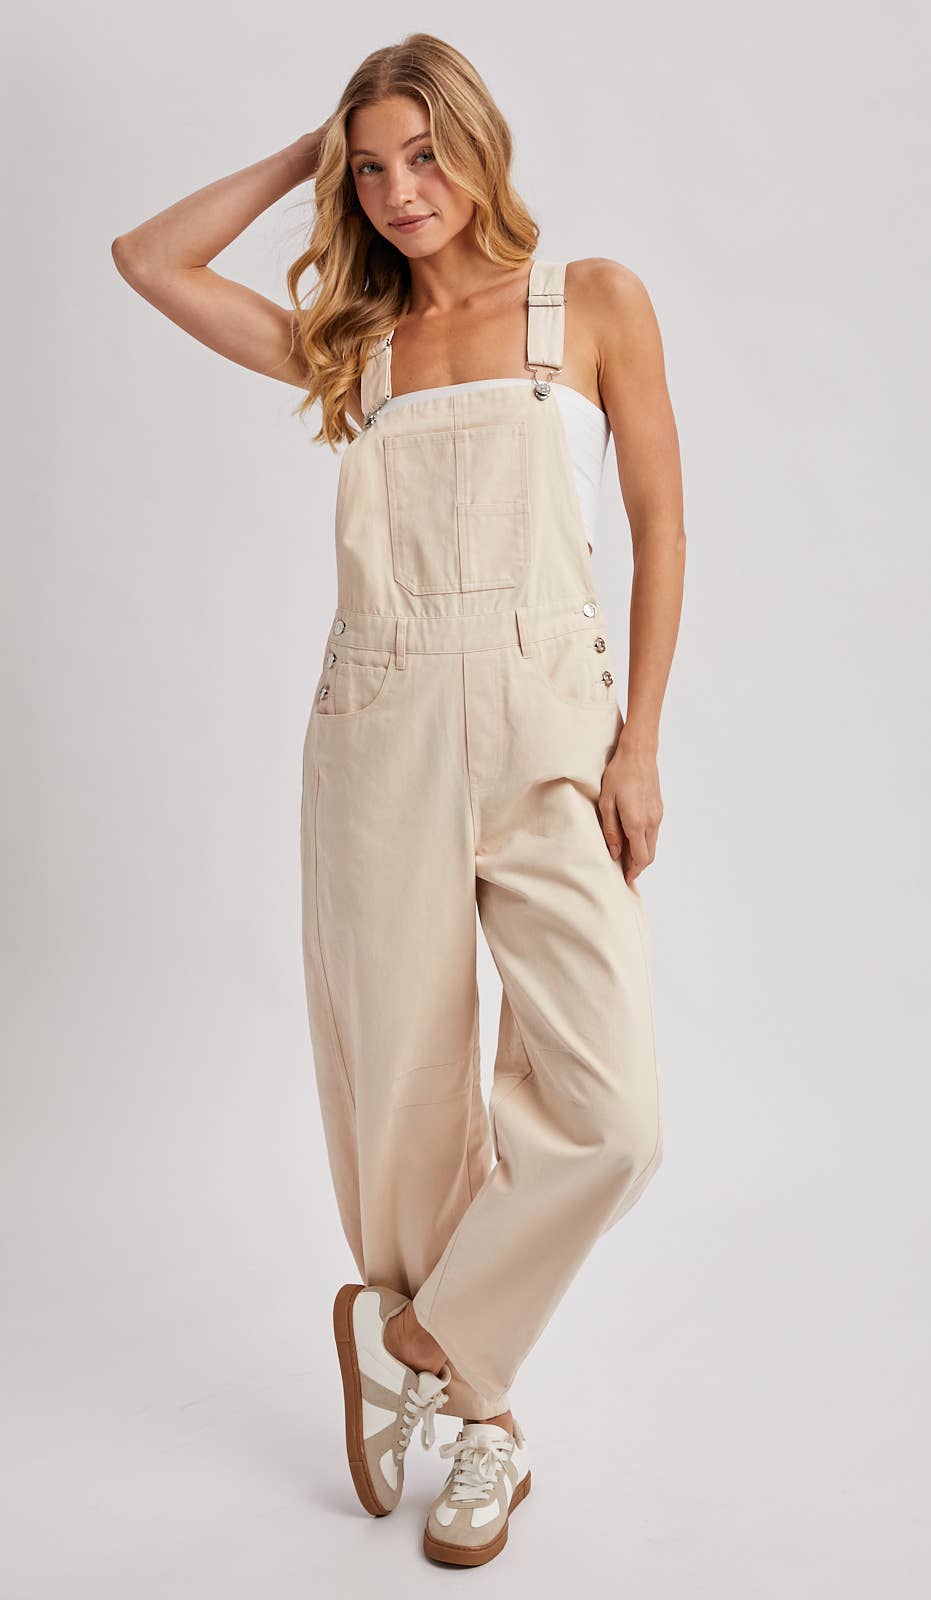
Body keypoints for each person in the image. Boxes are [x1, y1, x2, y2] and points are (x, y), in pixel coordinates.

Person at [112, 30, 685, 1570]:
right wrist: (307, 154)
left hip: (552, 714)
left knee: (613, 1116)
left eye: (424, 155)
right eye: (374, 167)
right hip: (380, 719)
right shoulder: (347, 346)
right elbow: (145, 258)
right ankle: (485, 1432)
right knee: (412, 1093)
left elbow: (658, 525)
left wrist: (640, 748)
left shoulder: (596, 305)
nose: (403, 190)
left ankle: (416, 1346)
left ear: (480, 148)